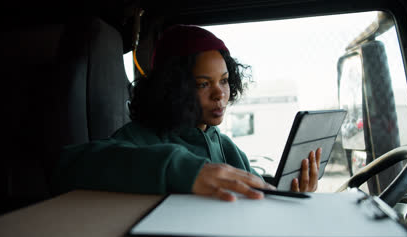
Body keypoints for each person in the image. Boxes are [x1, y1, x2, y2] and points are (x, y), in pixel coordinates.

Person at [53, 24, 321, 201]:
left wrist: (288, 193)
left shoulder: (227, 147)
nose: (220, 94)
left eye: (224, 80)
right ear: (172, 88)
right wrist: (175, 168)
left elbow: (251, 193)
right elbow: (66, 166)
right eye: (203, 84)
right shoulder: (143, 137)